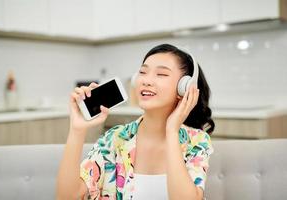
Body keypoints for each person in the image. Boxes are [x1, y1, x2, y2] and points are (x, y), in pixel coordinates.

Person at [56, 44, 215, 200]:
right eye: (142, 72)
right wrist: (77, 130)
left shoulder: (197, 141)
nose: (146, 80)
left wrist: (172, 131)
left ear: (185, 88)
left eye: (161, 74)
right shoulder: (115, 139)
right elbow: (66, 197)